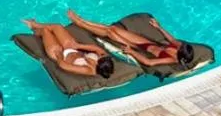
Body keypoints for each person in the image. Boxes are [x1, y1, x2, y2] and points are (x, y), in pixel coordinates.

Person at [67, 10, 196, 70]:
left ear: (180, 54)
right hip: (146, 43)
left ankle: (80, 23)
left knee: (110, 33)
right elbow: (172, 39)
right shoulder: (179, 46)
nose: (178, 45)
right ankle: (82, 20)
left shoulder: (172, 59)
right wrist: (159, 27)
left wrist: (131, 52)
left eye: (179, 48)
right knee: (112, 28)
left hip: (138, 49)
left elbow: (149, 62)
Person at [22, 20, 116, 79]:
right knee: (57, 26)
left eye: (99, 57)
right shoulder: (104, 60)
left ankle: (35, 30)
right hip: (72, 49)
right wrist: (78, 46)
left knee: (45, 31)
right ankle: (35, 24)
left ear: (98, 65)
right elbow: (96, 48)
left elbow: (64, 66)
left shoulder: (88, 70)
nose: (100, 55)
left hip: (60, 56)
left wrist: (59, 55)